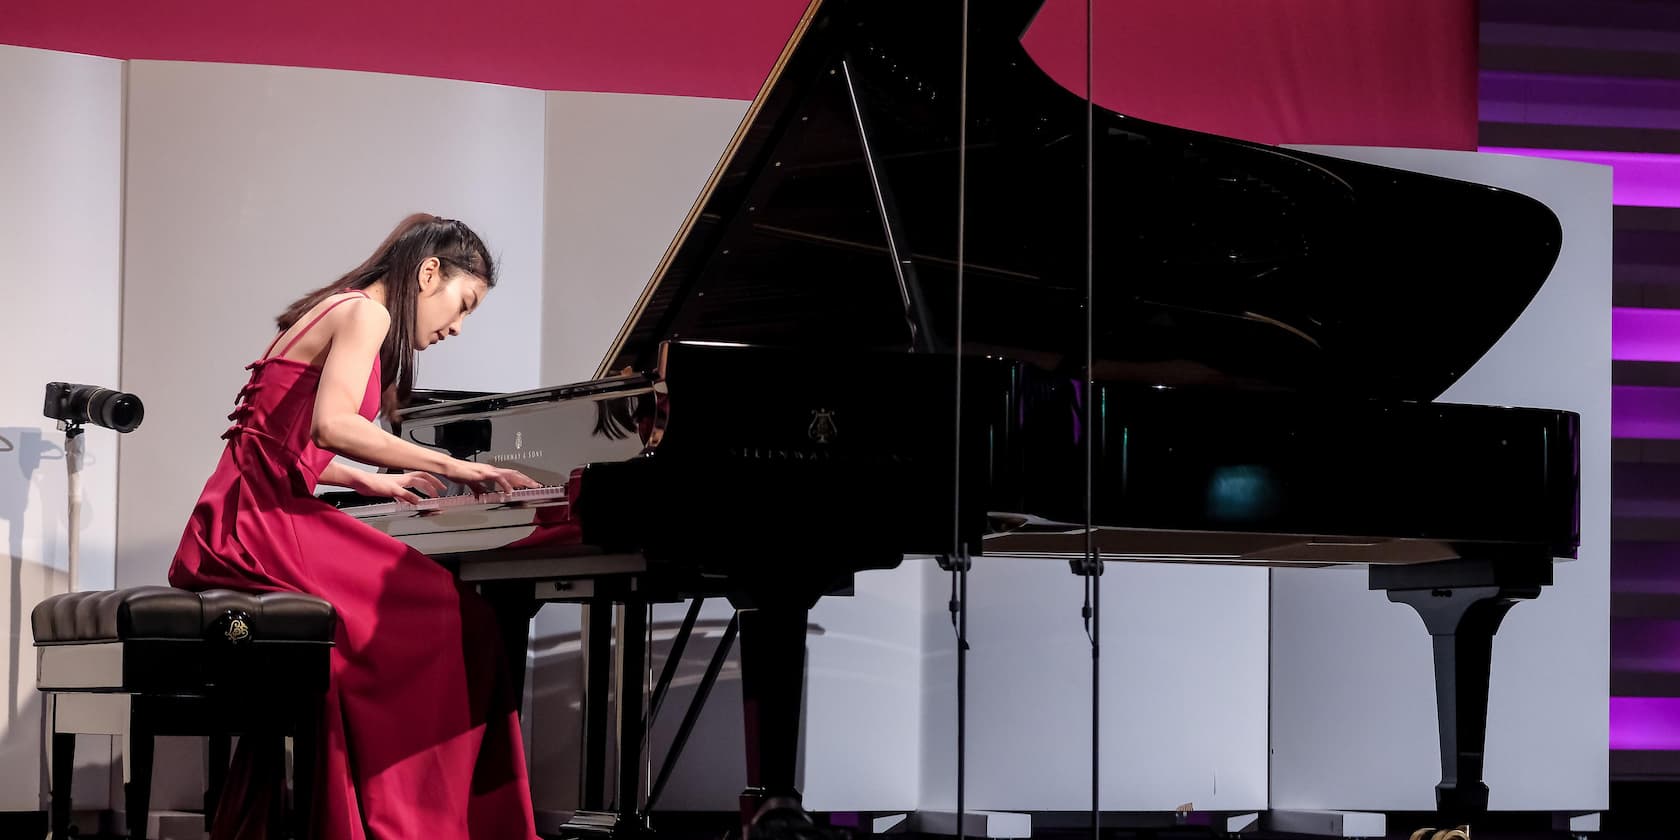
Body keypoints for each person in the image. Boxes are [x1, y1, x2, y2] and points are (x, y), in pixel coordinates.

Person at [169, 213, 544, 839]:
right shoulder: (368, 315)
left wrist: (368, 480)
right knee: (458, 615)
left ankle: (370, 813)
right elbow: (331, 425)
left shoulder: (328, 309)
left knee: (427, 619)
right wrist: (457, 466)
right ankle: (424, 820)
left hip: (239, 514)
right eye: (464, 303)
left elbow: (275, 436)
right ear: (429, 273)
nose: (457, 325)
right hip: (261, 523)